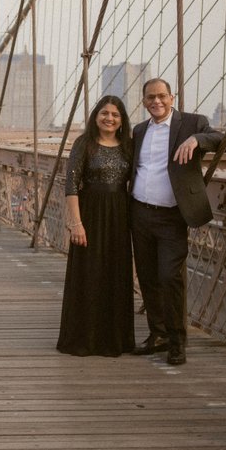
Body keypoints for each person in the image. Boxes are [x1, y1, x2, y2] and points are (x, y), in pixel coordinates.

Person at [130, 78, 225, 366]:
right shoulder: (139, 130)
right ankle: (156, 335)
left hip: (171, 216)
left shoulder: (193, 123)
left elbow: (225, 139)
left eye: (161, 96)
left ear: (172, 97)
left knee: (169, 277)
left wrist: (198, 139)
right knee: (147, 276)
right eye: (150, 97)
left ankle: (176, 340)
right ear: (144, 101)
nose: (156, 102)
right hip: (139, 213)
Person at [57, 96, 136, 357]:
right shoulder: (85, 144)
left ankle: (113, 340)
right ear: (96, 116)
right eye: (104, 113)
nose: (109, 118)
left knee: (115, 273)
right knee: (89, 273)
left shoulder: (128, 147)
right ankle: (85, 339)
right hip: (90, 213)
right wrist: (76, 223)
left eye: (115, 114)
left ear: (121, 119)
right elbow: (71, 184)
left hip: (119, 215)